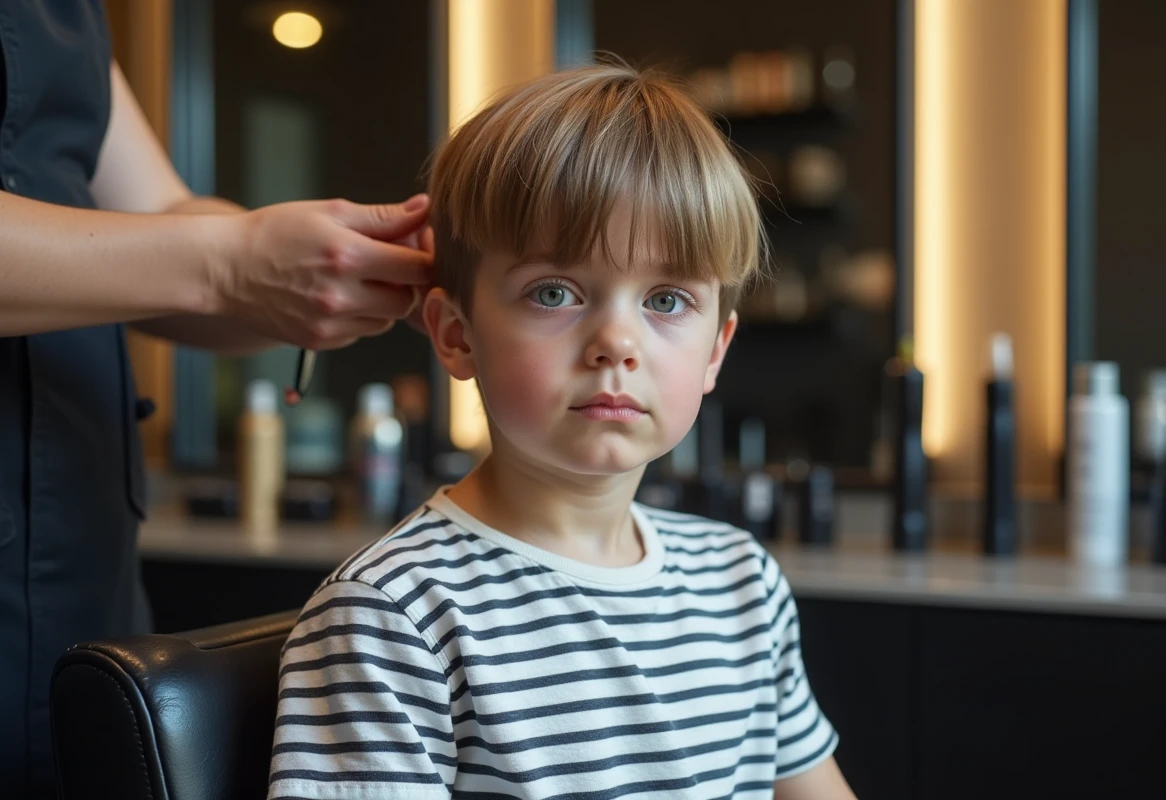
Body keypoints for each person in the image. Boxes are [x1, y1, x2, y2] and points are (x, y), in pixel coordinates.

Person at [268, 63, 857, 799]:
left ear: (715, 350)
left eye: (667, 300)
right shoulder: (396, 615)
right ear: (455, 335)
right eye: (555, 292)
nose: (617, 341)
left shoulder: (741, 584)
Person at [0, 4, 433, 797]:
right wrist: (231, 262)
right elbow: (198, 259)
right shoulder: (392, 610)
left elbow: (161, 219)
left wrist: (311, 267)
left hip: (80, 558)